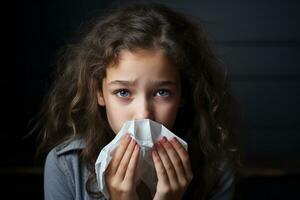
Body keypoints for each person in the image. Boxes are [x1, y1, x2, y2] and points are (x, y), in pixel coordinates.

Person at [33, 2, 241, 200]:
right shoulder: (66, 165)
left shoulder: (215, 169)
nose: (143, 114)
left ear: (182, 95)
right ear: (99, 93)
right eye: (123, 92)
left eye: (162, 92)